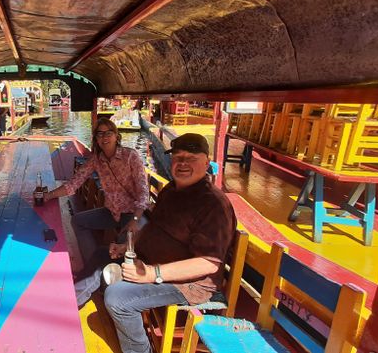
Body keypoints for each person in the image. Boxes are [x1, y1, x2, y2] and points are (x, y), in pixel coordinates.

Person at [102, 133, 237, 353]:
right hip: (152, 264)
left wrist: (152, 274)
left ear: (207, 161)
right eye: (177, 157)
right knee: (102, 259)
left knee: (117, 299)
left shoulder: (213, 204)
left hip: (190, 286)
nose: (183, 163)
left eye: (191, 158)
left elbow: (208, 263)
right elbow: (152, 226)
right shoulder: (172, 190)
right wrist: (128, 247)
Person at [41, 118, 150, 269]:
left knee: (127, 247)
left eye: (108, 133)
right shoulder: (96, 160)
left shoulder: (131, 156)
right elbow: (73, 184)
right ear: (96, 139)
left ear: (116, 135)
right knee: (78, 221)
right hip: (111, 212)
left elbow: (144, 192)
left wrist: (135, 219)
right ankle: (93, 263)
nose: (104, 137)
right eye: (100, 134)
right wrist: (48, 196)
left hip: (133, 213)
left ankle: (114, 276)